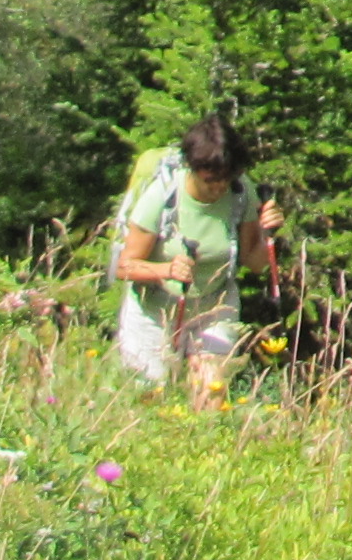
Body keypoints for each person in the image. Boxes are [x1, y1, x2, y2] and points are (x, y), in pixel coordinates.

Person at [113, 114, 281, 404]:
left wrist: (268, 236)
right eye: (210, 180)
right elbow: (124, 266)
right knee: (148, 400)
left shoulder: (241, 193)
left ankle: (209, 445)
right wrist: (166, 269)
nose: (218, 187)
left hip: (214, 304)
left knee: (211, 391)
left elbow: (254, 263)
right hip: (153, 308)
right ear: (192, 168)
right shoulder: (161, 196)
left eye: (226, 179)